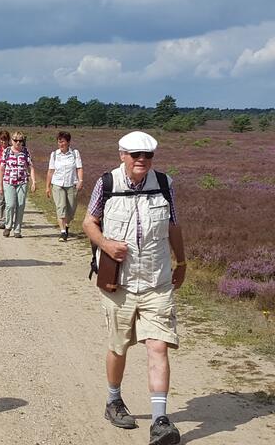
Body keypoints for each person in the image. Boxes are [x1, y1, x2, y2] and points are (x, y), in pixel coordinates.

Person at [82, 131, 186, 445]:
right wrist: (105, 244)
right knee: (119, 346)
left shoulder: (164, 184)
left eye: (147, 155)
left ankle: (160, 421)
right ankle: (113, 400)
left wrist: (181, 261)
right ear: (122, 155)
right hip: (119, 282)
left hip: (156, 281)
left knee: (158, 346)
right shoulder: (107, 183)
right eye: (135, 155)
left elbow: (173, 225)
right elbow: (89, 222)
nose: (142, 160)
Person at [46, 131, 84, 242]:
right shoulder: (54, 155)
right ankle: (63, 232)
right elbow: (50, 171)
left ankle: (66, 225)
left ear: (68, 142)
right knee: (61, 207)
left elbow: (79, 168)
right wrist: (47, 187)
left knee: (71, 210)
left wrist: (80, 181)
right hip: (57, 184)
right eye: (59, 142)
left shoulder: (75, 153)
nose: (60, 144)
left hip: (71, 184)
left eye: (62, 142)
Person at [0, 131, 36, 238]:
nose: (18, 143)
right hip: (9, 181)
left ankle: (17, 230)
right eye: (15, 140)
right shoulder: (7, 151)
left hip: (22, 182)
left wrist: (33, 182)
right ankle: (8, 226)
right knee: (10, 205)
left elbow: (31, 167)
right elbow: (1, 169)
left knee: (21, 205)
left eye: (20, 141)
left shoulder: (26, 151)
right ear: (12, 141)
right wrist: (0, 186)